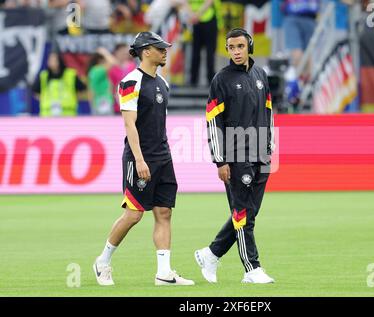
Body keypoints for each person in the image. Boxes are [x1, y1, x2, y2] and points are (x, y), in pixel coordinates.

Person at [93, 32, 194, 286]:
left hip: (163, 157)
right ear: (146, 51)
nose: (165, 52)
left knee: (164, 212)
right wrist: (139, 160)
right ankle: (103, 261)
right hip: (140, 158)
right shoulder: (130, 82)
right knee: (134, 214)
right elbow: (130, 125)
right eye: (160, 48)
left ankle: (164, 273)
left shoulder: (163, 83)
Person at [195, 28, 275, 284]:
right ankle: (252, 268)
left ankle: (211, 253)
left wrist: (270, 145)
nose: (236, 52)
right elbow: (212, 121)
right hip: (236, 155)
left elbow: (269, 111)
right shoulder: (221, 79)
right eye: (231, 47)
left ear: (249, 46)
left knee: (249, 214)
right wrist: (220, 160)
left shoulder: (261, 75)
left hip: (261, 154)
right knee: (242, 213)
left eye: (240, 46)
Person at [32, 52, 86, 117]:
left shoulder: (70, 75)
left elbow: (82, 89)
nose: (52, 63)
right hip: (47, 115)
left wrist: (74, 99)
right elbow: (35, 91)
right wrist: (43, 99)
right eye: (50, 60)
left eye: (55, 60)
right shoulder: (44, 76)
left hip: (68, 115)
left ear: (60, 60)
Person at [185, 0, 222, 86]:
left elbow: (210, 1)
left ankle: (210, 79)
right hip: (195, 20)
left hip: (208, 19)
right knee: (195, 52)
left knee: (210, 52)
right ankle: (193, 80)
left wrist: (195, 15)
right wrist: (192, 15)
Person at [87, 48, 116, 116]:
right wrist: (104, 52)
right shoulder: (98, 70)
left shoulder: (93, 71)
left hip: (97, 102)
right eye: (105, 60)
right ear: (100, 60)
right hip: (103, 102)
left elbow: (90, 89)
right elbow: (113, 62)